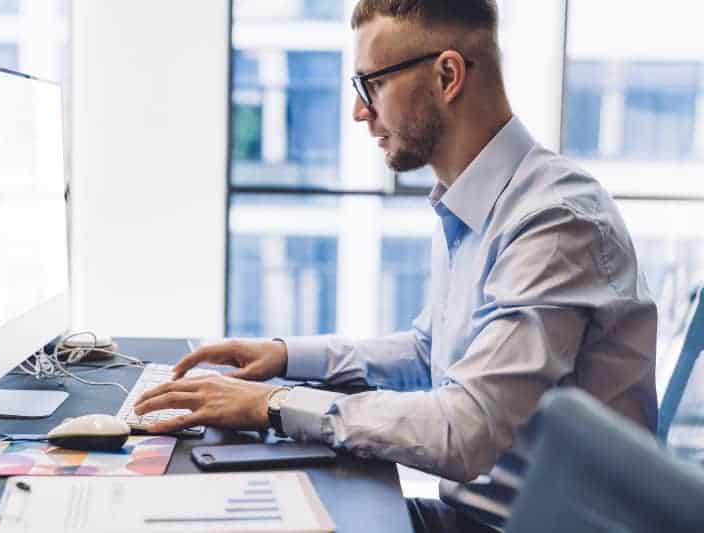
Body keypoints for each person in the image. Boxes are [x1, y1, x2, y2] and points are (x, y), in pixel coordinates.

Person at [135, 1, 657, 530]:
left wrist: (273, 403)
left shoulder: (554, 223)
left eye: (371, 84)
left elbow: (464, 431)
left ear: (447, 75)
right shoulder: (475, 202)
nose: (360, 111)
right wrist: (284, 357)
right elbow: (428, 353)